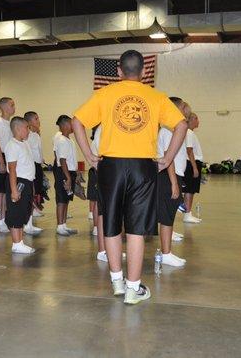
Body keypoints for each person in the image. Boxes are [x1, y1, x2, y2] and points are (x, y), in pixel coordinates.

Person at [72, 49, 187, 305]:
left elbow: (77, 122)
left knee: (111, 223)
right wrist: (167, 158)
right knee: (136, 228)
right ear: (144, 72)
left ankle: (117, 282)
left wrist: (90, 156)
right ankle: (133, 289)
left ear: (119, 72)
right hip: (142, 167)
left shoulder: (104, 94)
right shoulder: (156, 97)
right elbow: (182, 125)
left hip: (110, 166)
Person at [156, 97, 189, 267]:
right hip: (169, 176)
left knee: (169, 215)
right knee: (167, 216)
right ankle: (166, 253)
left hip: (175, 175)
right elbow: (168, 157)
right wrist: (174, 183)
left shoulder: (175, 129)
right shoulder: (169, 130)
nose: (186, 110)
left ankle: (167, 251)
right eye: (183, 107)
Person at [5, 117, 37, 254]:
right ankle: (16, 243)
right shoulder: (12, 145)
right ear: (18, 129)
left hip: (27, 182)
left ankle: (20, 241)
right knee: (15, 212)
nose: (28, 131)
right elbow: (12, 169)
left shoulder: (25, 143)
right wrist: (14, 190)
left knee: (23, 212)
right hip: (18, 182)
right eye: (26, 128)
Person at [0, 97, 15, 233]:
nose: (14, 107)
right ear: (4, 107)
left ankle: (4, 218)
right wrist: (1, 162)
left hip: (10, 158)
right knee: (0, 193)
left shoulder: (10, 123)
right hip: (1, 157)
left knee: (6, 192)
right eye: (12, 105)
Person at [53, 115, 78, 236]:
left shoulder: (70, 140)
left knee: (67, 199)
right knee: (61, 200)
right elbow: (62, 160)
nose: (73, 126)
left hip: (70, 171)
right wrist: (67, 177)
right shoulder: (62, 140)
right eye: (71, 123)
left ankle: (64, 225)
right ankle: (59, 226)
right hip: (63, 172)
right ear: (64, 125)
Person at [87, 124, 107, 261]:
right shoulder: (102, 130)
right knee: (101, 209)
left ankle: (108, 249)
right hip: (101, 173)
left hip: (109, 173)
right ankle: (102, 251)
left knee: (108, 213)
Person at [23, 111, 43, 234]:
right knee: (29, 195)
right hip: (31, 167)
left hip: (38, 166)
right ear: (29, 122)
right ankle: (26, 223)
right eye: (36, 119)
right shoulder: (26, 136)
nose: (38, 121)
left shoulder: (36, 135)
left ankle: (29, 223)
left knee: (35, 194)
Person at [183, 112, 203, 223]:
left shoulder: (190, 133)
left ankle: (188, 213)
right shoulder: (189, 133)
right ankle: (187, 214)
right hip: (191, 164)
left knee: (191, 190)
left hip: (193, 163)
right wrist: (195, 168)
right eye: (196, 118)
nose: (198, 120)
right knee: (189, 190)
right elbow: (189, 150)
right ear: (190, 120)